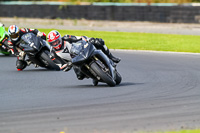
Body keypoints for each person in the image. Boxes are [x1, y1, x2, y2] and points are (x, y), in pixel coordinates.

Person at [47, 30, 121, 80]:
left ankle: (111, 57)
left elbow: (79, 38)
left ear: (59, 38)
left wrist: (88, 39)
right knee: (80, 76)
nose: (55, 44)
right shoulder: (52, 54)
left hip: (81, 51)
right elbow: (61, 66)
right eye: (53, 43)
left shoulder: (66, 37)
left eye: (56, 41)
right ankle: (95, 76)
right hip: (74, 62)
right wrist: (68, 65)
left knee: (98, 42)